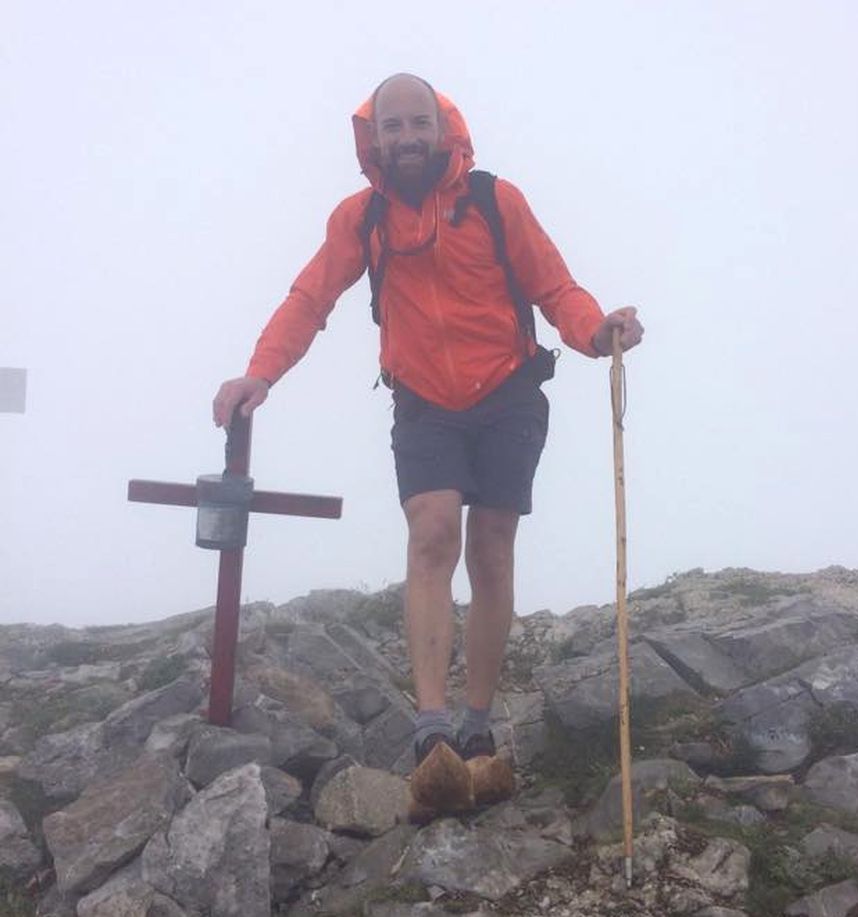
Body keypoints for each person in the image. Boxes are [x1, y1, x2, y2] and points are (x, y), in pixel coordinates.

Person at [213, 73, 643, 811]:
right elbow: (309, 297)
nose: (407, 139)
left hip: (509, 390)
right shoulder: (363, 218)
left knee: (493, 545)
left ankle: (478, 727)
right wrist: (260, 374)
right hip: (422, 401)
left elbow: (555, 286)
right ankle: (433, 726)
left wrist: (596, 331)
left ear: (443, 129)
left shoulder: (494, 201)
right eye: (393, 128)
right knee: (433, 533)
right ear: (372, 138)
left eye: (418, 124)